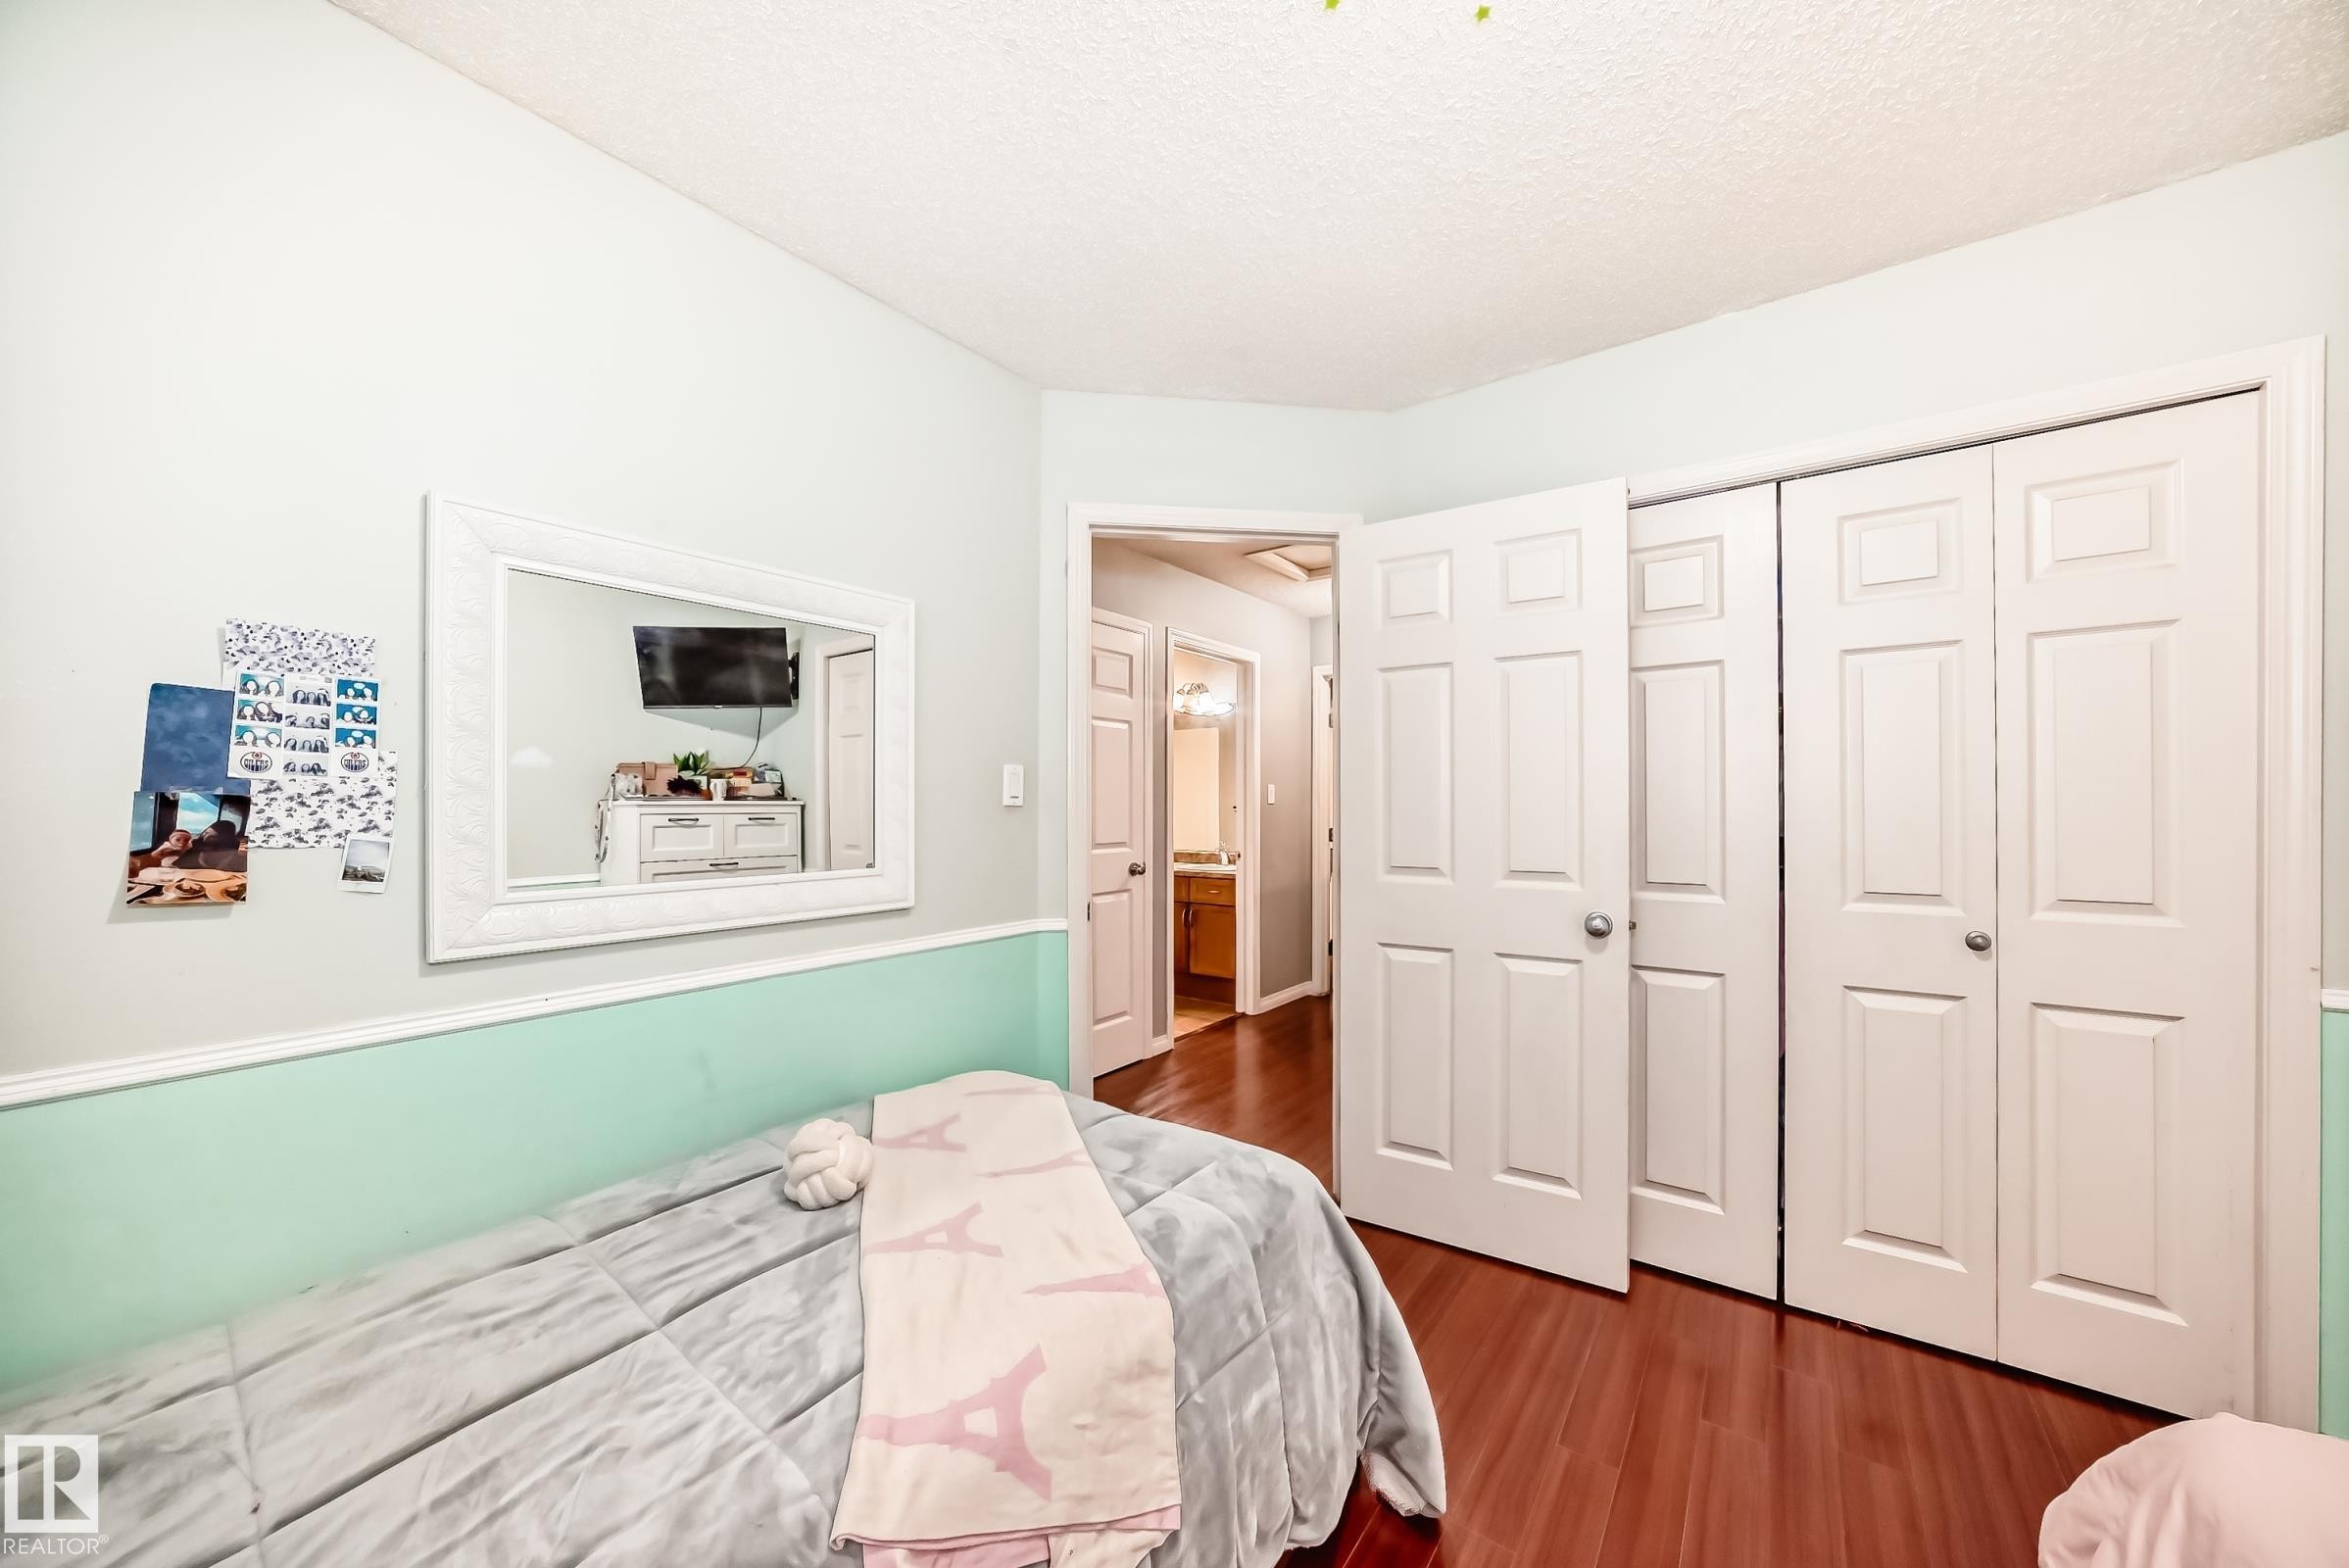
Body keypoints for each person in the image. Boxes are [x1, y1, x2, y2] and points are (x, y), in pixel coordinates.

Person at [176, 819, 246, 870]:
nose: (205, 838)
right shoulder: (193, 851)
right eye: (206, 833)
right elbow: (178, 867)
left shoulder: (235, 856)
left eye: (212, 837)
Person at [128, 829, 193, 874]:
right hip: (164, 872)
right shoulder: (164, 849)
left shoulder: (191, 850)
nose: (182, 842)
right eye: (178, 840)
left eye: (186, 840)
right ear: (170, 840)